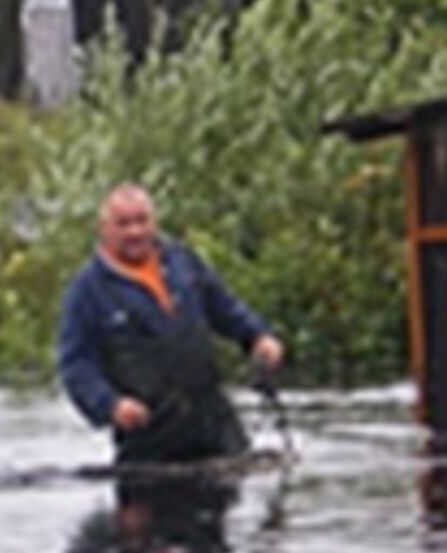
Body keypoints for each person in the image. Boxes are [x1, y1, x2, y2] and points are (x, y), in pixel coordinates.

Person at [57, 184, 285, 465]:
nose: (135, 232)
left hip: (215, 428)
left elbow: (225, 308)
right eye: (123, 224)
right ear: (103, 229)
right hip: (149, 441)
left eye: (142, 220)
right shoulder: (87, 290)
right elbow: (76, 365)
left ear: (155, 222)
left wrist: (259, 337)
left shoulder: (184, 263)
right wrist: (110, 406)